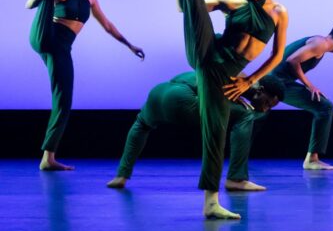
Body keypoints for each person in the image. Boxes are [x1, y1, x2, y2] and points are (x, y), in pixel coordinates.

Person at [174, 0, 288, 220]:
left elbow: (277, 55)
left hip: (229, 72)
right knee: (215, 131)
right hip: (209, 55)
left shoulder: (278, 11)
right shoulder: (231, 0)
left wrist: (249, 81)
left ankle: (214, 199)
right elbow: (187, 12)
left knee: (218, 129)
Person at [26, 0, 144, 171]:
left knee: (63, 101)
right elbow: (29, 4)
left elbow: (107, 25)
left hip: (61, 48)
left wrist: (129, 45)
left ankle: (48, 158)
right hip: (46, 35)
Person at [105, 74, 285, 190]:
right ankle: (237, 179)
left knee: (141, 124)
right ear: (260, 90)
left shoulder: (243, 85)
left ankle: (121, 176)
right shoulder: (243, 79)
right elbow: (210, 82)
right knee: (247, 115)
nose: (265, 110)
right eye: (268, 103)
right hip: (181, 97)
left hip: (158, 93)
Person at [260, 22, 333, 170]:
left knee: (253, 117)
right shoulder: (321, 44)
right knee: (325, 107)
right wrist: (310, 85)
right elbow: (292, 60)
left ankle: (312, 158)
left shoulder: (319, 43)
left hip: (277, 80)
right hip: (278, 82)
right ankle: (312, 159)